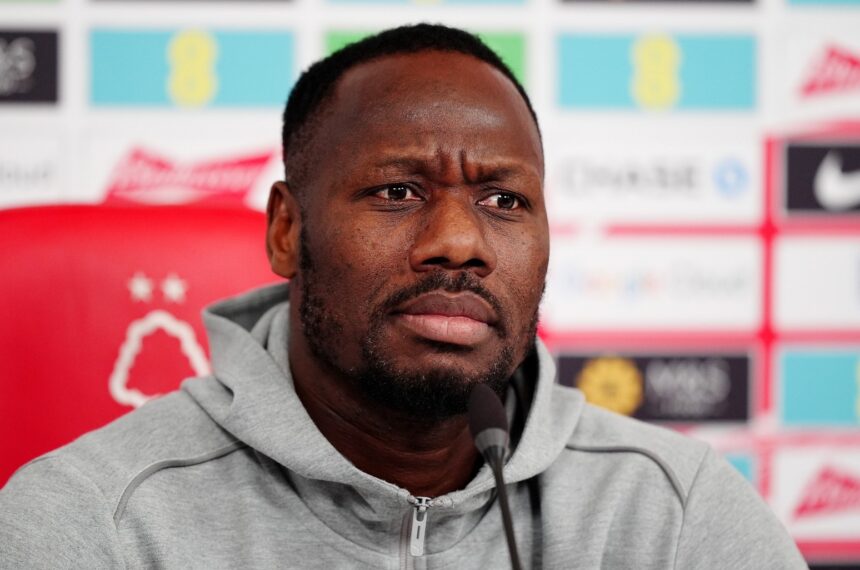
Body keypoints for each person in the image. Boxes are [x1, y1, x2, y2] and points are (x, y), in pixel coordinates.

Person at [0, 24, 805, 569]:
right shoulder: (96, 522)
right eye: (396, 191)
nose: (459, 241)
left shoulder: (671, 513)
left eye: (503, 200)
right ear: (286, 231)